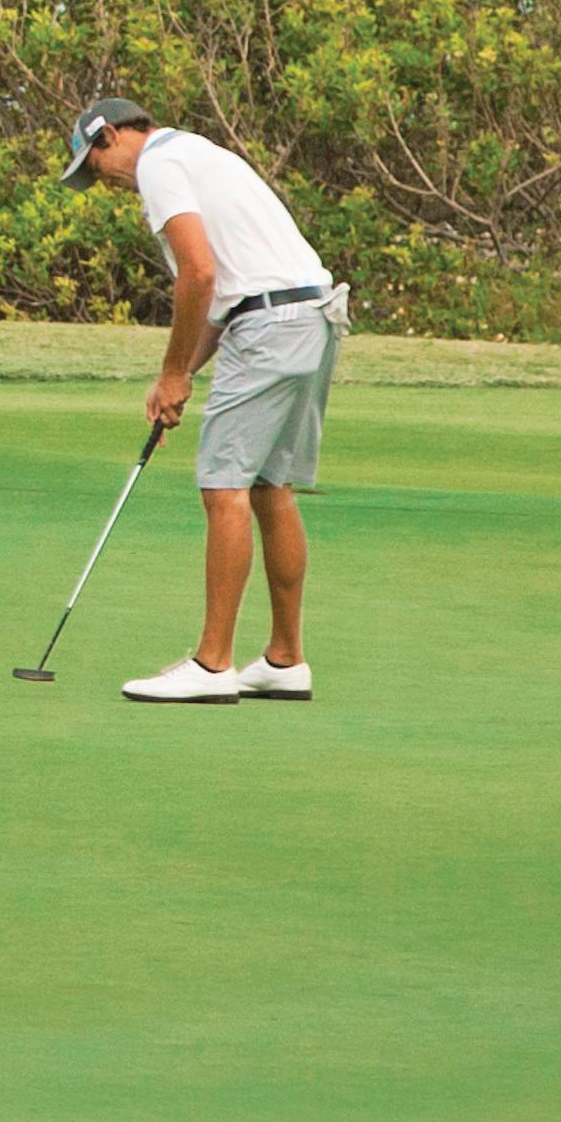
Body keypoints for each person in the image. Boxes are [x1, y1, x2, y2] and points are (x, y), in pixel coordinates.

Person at [58, 100, 344, 705]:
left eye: (98, 161)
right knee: (270, 485)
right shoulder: (198, 152)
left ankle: (213, 666)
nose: (104, 178)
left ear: (112, 134)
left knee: (225, 488)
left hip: (268, 327)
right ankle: (285, 659)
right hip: (309, 315)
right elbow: (223, 297)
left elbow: (199, 275)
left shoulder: (160, 165)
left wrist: (170, 374)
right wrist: (179, 376)